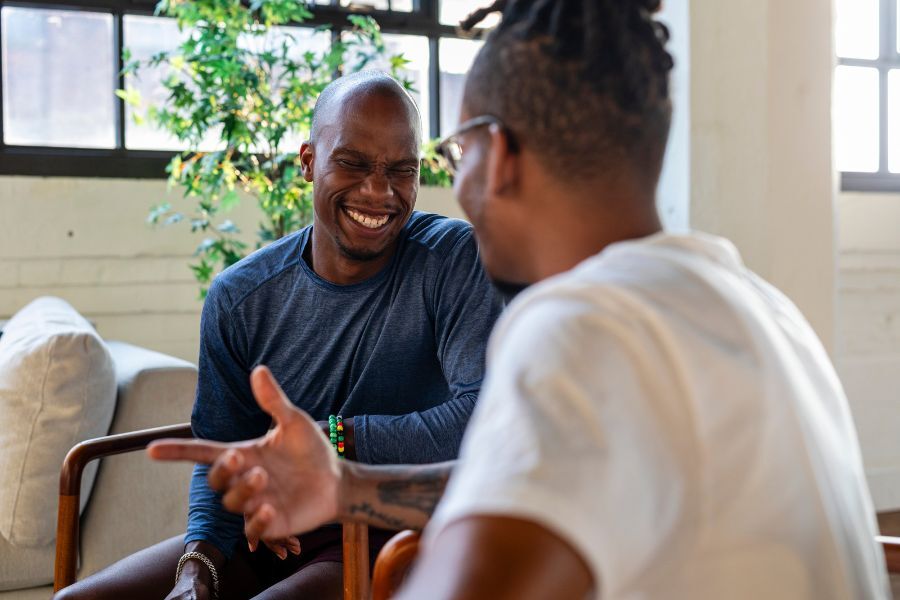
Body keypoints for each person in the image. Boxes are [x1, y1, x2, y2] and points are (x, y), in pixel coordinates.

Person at [149, 1, 891, 598]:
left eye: (453, 155)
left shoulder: (581, 329)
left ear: (497, 154)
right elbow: (529, 484)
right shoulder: (755, 306)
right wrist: (348, 485)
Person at [55, 71, 503, 600]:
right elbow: (219, 450)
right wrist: (197, 568)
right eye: (353, 163)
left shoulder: (452, 260)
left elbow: (481, 420)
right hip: (272, 535)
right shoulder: (240, 296)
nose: (379, 191)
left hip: (389, 531)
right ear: (309, 160)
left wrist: (329, 440)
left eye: (400, 171)